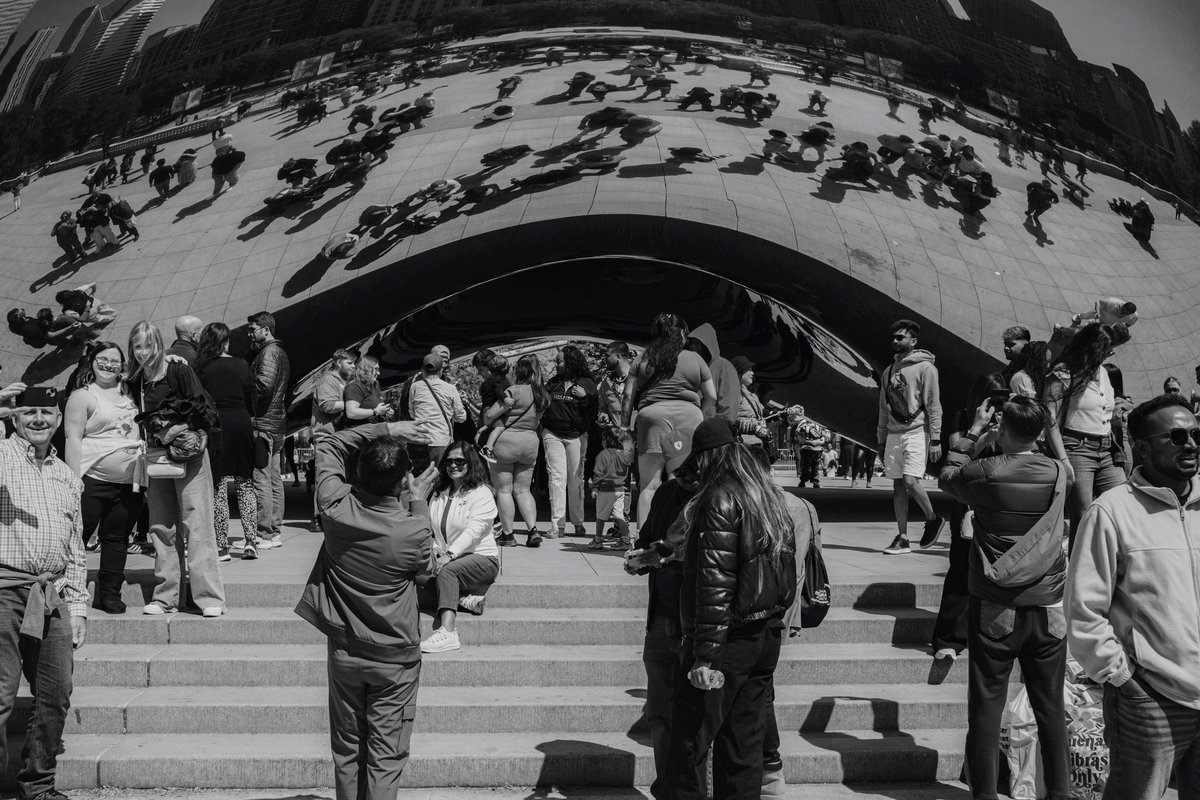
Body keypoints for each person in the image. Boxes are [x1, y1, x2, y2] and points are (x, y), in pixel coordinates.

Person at [294, 417, 437, 800]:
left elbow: (328, 444)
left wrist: (386, 428)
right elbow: (426, 573)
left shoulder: (334, 506)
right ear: (403, 480)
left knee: (347, 749)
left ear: (357, 472)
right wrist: (419, 503)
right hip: (395, 658)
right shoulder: (412, 529)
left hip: (345, 651)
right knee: (386, 756)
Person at [1066, 394, 1200, 800]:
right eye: (1177, 436)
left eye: (1196, 434)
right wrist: (1121, 678)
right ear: (1140, 448)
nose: (1191, 445)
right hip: (1153, 699)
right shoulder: (1111, 512)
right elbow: (1084, 608)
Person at [940, 395, 1072, 800]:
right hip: (1049, 608)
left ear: (1003, 428)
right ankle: (1060, 793)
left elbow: (947, 476)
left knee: (986, 707)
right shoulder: (1058, 472)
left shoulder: (987, 472)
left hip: (996, 607)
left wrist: (976, 433)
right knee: (1051, 709)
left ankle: (984, 794)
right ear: (1039, 431)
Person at [667, 419, 797, 799]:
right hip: (763, 635)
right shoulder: (766, 495)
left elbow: (715, 584)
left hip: (728, 641)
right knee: (743, 749)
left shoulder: (719, 499)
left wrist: (704, 656)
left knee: (690, 745)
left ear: (708, 457)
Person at [0, 382, 89, 800]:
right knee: (0, 697)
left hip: (51, 593)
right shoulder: (2, 456)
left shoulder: (67, 476)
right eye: (29, 412)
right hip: (4, 590)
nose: (38, 419)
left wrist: (79, 608)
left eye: (46, 413)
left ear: (58, 419)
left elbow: (76, 549)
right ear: (15, 417)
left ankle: (37, 785)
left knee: (55, 692)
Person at [126, 321, 224, 617]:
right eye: (138, 346)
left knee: (197, 524)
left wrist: (175, 429)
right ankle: (166, 597)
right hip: (157, 458)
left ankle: (209, 598)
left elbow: (205, 410)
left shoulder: (178, 370)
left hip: (188, 455)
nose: (144, 352)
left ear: (160, 344)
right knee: (161, 527)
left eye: (149, 345)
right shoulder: (136, 381)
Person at [63, 342, 143, 613]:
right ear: (92, 361)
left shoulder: (131, 391)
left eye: (114, 360)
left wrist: (175, 359)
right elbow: (73, 438)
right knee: (78, 535)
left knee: (117, 538)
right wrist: (74, 479)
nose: (108, 364)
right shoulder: (83, 395)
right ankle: (67, 589)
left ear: (123, 365)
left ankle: (109, 593)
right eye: (102, 359)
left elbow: (156, 369)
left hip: (129, 481)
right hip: (91, 479)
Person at [622, 313, 717, 526]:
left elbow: (627, 396)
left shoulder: (642, 359)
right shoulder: (695, 359)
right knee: (680, 482)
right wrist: (697, 412)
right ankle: (676, 536)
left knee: (649, 485)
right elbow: (711, 396)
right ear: (682, 333)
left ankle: (642, 537)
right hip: (688, 418)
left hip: (651, 419)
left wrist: (624, 428)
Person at [1042, 322, 1128, 550]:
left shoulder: (1103, 372)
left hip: (1107, 449)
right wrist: (1063, 460)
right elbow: (1050, 419)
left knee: (1121, 506)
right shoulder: (1063, 372)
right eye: (1106, 349)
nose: (1110, 354)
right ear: (1092, 347)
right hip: (1076, 448)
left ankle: (1111, 563)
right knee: (1083, 516)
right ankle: (1079, 568)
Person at [418, 444, 500, 654]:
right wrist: (436, 549)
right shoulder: (439, 493)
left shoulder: (481, 493)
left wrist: (449, 554)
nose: (453, 465)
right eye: (449, 461)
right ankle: (462, 599)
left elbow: (474, 531)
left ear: (470, 463)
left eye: (459, 461)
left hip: (481, 558)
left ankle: (448, 631)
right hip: (446, 557)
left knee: (448, 572)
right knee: (414, 578)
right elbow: (429, 526)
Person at [195, 323, 260, 562]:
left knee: (218, 487)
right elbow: (253, 397)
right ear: (225, 342)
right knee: (245, 484)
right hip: (241, 423)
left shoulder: (201, 368)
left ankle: (221, 546)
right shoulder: (242, 364)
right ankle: (251, 541)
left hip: (216, 426)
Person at [878, 319, 944, 554]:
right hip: (894, 434)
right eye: (894, 337)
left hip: (916, 431)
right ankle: (903, 537)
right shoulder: (889, 371)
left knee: (910, 481)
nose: (895, 341)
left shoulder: (926, 368)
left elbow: (933, 404)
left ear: (913, 341)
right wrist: (881, 439)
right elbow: (883, 408)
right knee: (897, 485)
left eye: (901, 337)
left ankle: (933, 518)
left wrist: (935, 438)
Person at [483, 353, 548, 547]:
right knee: (523, 490)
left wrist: (486, 414)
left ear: (519, 370)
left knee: (504, 490)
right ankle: (532, 530)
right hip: (530, 443)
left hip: (506, 442)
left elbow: (490, 416)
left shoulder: (514, 391)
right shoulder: (543, 395)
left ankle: (508, 535)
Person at [540, 345, 598, 538]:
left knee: (576, 479)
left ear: (570, 362)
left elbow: (594, 411)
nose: (556, 364)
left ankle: (578, 523)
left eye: (559, 361)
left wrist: (584, 398)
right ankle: (557, 526)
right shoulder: (553, 383)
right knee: (556, 479)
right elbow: (543, 405)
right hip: (552, 434)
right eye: (556, 361)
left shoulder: (586, 384)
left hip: (577, 436)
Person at [248, 311, 290, 551]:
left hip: (263, 423)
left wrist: (246, 400)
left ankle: (264, 532)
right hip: (276, 424)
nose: (249, 334)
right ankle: (274, 531)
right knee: (274, 479)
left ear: (266, 329)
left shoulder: (269, 352)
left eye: (252, 329)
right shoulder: (278, 352)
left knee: (262, 478)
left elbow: (263, 386)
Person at [309, 349, 357, 531]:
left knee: (337, 478)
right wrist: (352, 405)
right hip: (326, 436)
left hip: (339, 436)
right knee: (324, 477)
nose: (353, 366)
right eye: (350, 363)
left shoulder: (345, 382)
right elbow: (327, 405)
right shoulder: (329, 380)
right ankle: (318, 518)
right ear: (338, 363)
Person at [408, 354, 466, 464]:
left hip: (418, 441)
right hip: (440, 442)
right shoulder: (450, 388)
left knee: (421, 474)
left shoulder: (414, 387)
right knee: (439, 472)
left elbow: (412, 414)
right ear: (440, 371)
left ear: (422, 370)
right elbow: (461, 418)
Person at [343, 355, 392, 429]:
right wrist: (375, 411)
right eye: (376, 369)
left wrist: (385, 412)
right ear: (366, 369)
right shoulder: (355, 386)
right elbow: (351, 413)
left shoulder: (373, 386)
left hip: (375, 430)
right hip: (361, 431)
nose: (378, 373)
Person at [790, 407, 827, 488]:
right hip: (807, 447)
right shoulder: (803, 422)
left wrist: (822, 440)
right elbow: (798, 432)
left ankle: (815, 481)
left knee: (815, 465)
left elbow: (825, 433)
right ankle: (803, 480)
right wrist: (804, 439)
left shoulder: (819, 422)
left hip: (817, 447)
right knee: (806, 465)